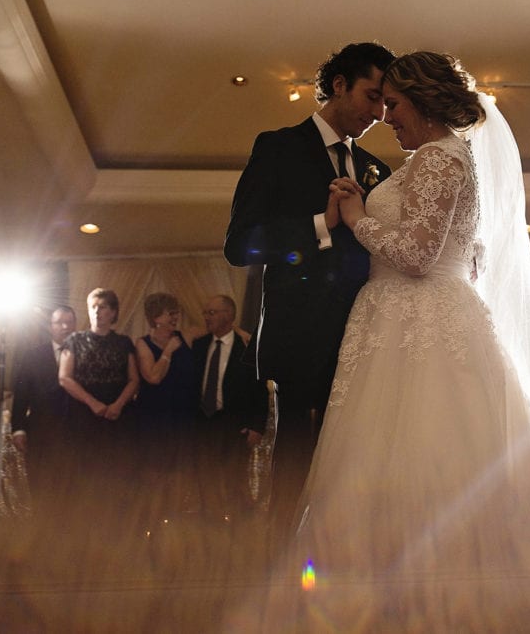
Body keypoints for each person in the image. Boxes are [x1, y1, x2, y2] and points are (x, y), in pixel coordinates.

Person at [266, 52, 530, 630]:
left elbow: (419, 258)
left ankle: (423, 599)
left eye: (393, 104)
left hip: (417, 316)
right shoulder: (433, 160)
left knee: (422, 447)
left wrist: (355, 216)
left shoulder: (442, 159)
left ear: (423, 101)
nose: (387, 116)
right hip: (403, 317)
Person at [224, 42, 395, 535]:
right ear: (338, 84)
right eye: (372, 96)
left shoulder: (376, 170)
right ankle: (285, 566)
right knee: (298, 460)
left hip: (362, 338)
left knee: (357, 458)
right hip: (299, 338)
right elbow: (240, 245)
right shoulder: (277, 147)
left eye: (386, 103)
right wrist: (322, 224)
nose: (379, 113)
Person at [58, 288, 139, 534]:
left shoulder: (124, 342)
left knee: (116, 475)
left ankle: (115, 530)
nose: (97, 311)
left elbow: (134, 379)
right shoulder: (74, 340)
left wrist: (117, 405)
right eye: (93, 306)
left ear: (113, 312)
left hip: (117, 416)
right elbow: (64, 378)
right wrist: (92, 403)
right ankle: (83, 530)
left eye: (102, 306)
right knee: (84, 474)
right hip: (84, 415)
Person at [189, 295, 268, 522]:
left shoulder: (245, 346)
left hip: (234, 425)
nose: (206, 317)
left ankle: (236, 530)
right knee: (204, 479)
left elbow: (259, 390)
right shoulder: (199, 345)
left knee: (235, 482)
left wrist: (256, 427)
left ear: (229, 315)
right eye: (206, 312)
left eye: (212, 312)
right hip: (203, 423)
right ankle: (207, 527)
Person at [132, 293, 200, 521]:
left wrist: (241, 333)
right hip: (155, 418)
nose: (175, 316)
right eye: (168, 312)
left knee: (181, 469)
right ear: (155, 318)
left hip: (183, 415)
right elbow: (152, 377)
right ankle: (154, 517)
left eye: (175, 312)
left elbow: (221, 330)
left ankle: (176, 517)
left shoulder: (187, 335)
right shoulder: (143, 343)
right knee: (155, 469)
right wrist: (168, 351)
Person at [12, 305, 76, 512]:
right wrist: (18, 428)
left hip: (75, 435)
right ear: (50, 326)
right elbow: (21, 395)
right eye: (59, 322)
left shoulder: (85, 354)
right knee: (41, 492)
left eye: (69, 322)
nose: (65, 327)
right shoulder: (33, 355)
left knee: (72, 496)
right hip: (41, 433)